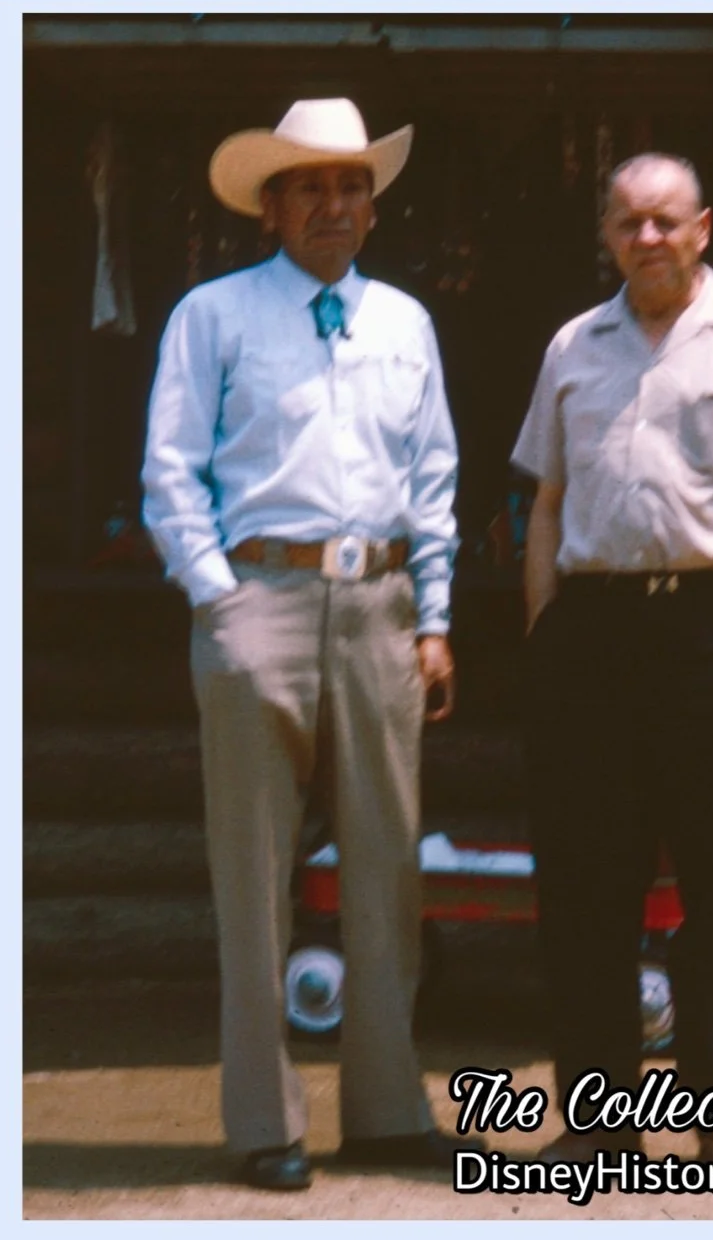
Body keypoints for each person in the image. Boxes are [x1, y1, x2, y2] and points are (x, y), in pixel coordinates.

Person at [142, 100, 476, 1190]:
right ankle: (263, 1122)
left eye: (351, 187)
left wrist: (431, 617)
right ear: (271, 207)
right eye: (311, 187)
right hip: (261, 602)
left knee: (386, 864)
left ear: (371, 208)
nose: (334, 205)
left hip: (378, 604)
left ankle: (383, 1111)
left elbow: (432, 480)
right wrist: (216, 601)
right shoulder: (215, 314)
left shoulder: (404, 322)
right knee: (251, 872)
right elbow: (169, 470)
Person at [512, 155, 713, 1161]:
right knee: (585, 890)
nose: (644, 238)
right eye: (626, 222)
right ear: (605, 235)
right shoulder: (574, 344)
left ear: (702, 226)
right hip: (594, 640)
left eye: (663, 220)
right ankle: (601, 1124)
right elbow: (547, 502)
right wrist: (545, 629)